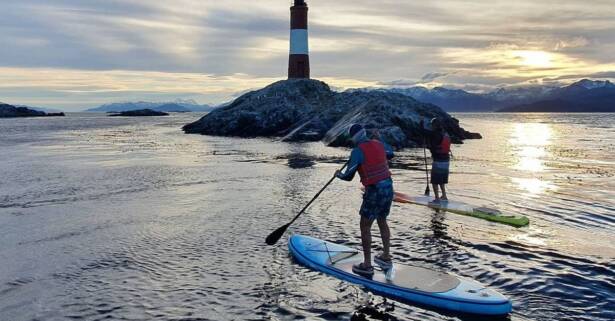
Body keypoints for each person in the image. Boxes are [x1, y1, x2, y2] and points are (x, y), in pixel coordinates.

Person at [335, 124, 394, 277]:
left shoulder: (357, 151)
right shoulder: (378, 144)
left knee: (365, 225)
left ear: (354, 138)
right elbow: (390, 153)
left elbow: (348, 176)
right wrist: (378, 139)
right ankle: (386, 256)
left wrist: (338, 174)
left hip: (374, 190)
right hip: (388, 187)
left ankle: (367, 265)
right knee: (382, 220)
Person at [420, 118, 451, 203]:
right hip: (446, 161)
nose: (431, 126)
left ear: (435, 125)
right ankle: (444, 196)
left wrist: (421, 124)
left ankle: (437, 199)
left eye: (432, 125)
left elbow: (424, 132)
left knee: (434, 181)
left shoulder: (435, 133)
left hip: (438, 161)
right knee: (441, 180)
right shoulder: (445, 133)